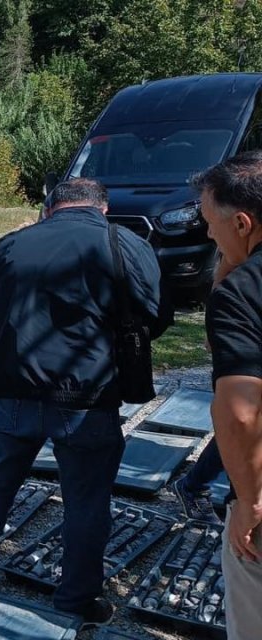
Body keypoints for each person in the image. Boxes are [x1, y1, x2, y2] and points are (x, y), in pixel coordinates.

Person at [0, 178, 167, 629]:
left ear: (50, 208)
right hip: (87, 397)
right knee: (86, 500)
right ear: (102, 208)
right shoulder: (126, 244)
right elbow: (154, 313)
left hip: (14, 390)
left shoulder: (10, 244)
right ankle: (75, 600)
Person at [194, 150, 262, 638]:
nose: (207, 235)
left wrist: (250, 502)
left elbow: (240, 413)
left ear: (242, 222)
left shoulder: (244, 292)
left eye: (209, 222)